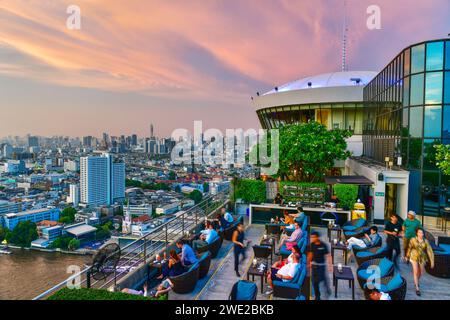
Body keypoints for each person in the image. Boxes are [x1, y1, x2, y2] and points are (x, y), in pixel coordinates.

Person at [406, 228, 434, 296]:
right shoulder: (413, 239)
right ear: (417, 233)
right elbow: (409, 247)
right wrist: (407, 256)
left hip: (422, 257)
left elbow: (429, 251)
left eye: (422, 233)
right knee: (415, 272)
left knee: (421, 272)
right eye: (419, 233)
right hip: (414, 256)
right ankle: (417, 288)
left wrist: (432, 261)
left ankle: (416, 281)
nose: (421, 234)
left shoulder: (426, 241)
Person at [308, 231, 331, 300]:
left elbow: (328, 256)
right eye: (311, 237)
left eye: (313, 237)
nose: (312, 238)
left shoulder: (323, 245)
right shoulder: (312, 245)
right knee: (314, 282)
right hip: (314, 265)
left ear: (317, 237)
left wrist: (330, 265)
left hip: (321, 265)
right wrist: (308, 264)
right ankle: (317, 296)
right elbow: (310, 255)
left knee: (322, 279)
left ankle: (327, 290)